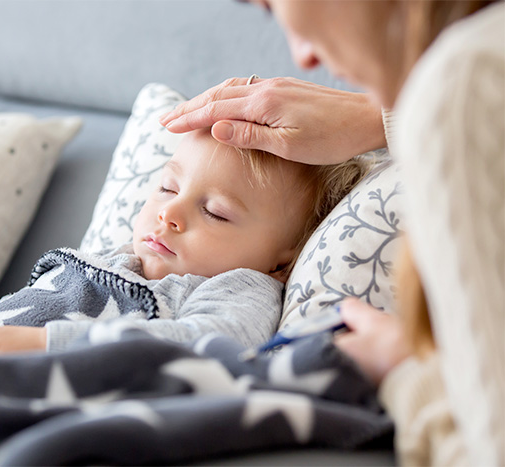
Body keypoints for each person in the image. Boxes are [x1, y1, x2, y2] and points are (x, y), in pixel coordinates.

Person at [160, 1, 504, 466]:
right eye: (165, 186)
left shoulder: (468, 83)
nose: (303, 56)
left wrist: (404, 371)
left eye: (271, 4)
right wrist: (380, 117)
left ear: (284, 261)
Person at [0, 127, 367, 363]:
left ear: (281, 264)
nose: (169, 212)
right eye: (168, 187)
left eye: (215, 212)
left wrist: (48, 346)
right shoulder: (104, 261)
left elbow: (211, 345)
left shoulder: (239, 289)